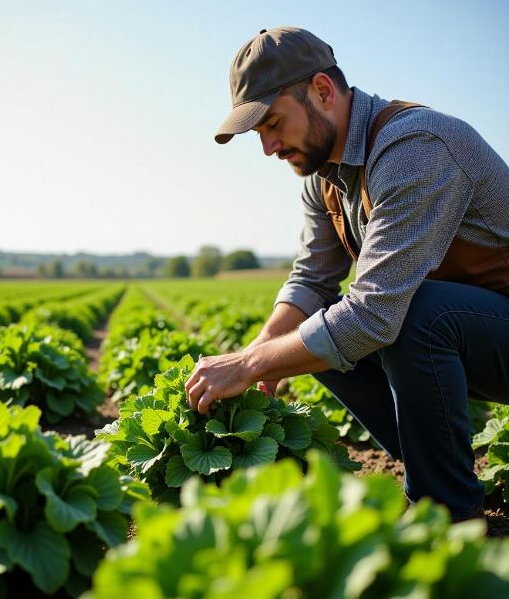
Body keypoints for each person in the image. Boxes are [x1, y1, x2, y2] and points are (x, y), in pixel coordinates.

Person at [184, 26, 509, 521]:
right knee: (317, 324)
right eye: (259, 133)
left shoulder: (414, 148)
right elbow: (313, 280)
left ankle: (445, 516)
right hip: (479, 337)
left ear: (322, 90)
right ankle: (437, 466)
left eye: (273, 123)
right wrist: (258, 355)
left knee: (407, 316)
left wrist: (251, 366)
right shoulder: (324, 177)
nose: (268, 148)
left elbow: (376, 314)